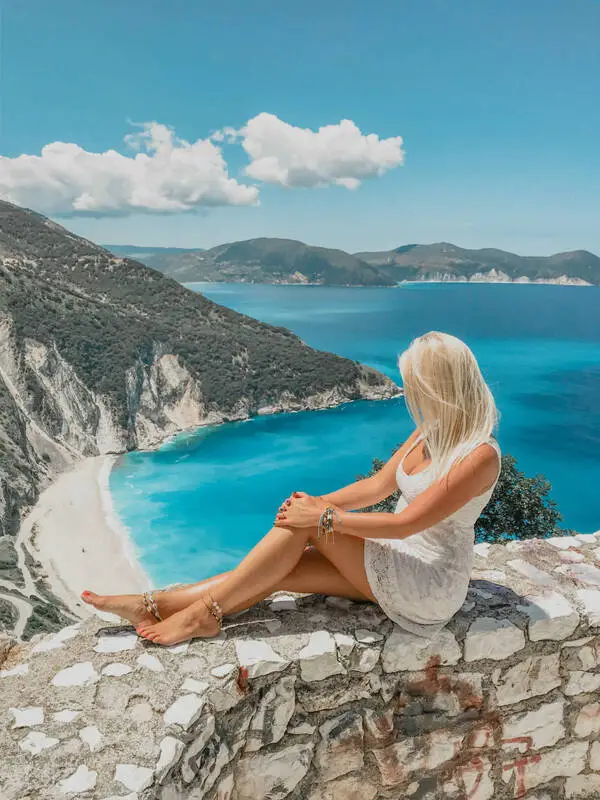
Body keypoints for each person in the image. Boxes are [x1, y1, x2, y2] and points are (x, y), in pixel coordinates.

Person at [82, 331, 501, 646]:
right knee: (286, 569)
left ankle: (197, 617)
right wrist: (317, 503)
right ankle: (154, 605)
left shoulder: (477, 455)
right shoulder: (429, 432)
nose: (409, 391)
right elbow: (375, 487)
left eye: (415, 383)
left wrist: (320, 517)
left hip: (427, 582)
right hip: (396, 559)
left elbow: (406, 523)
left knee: (308, 531)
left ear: (438, 387)